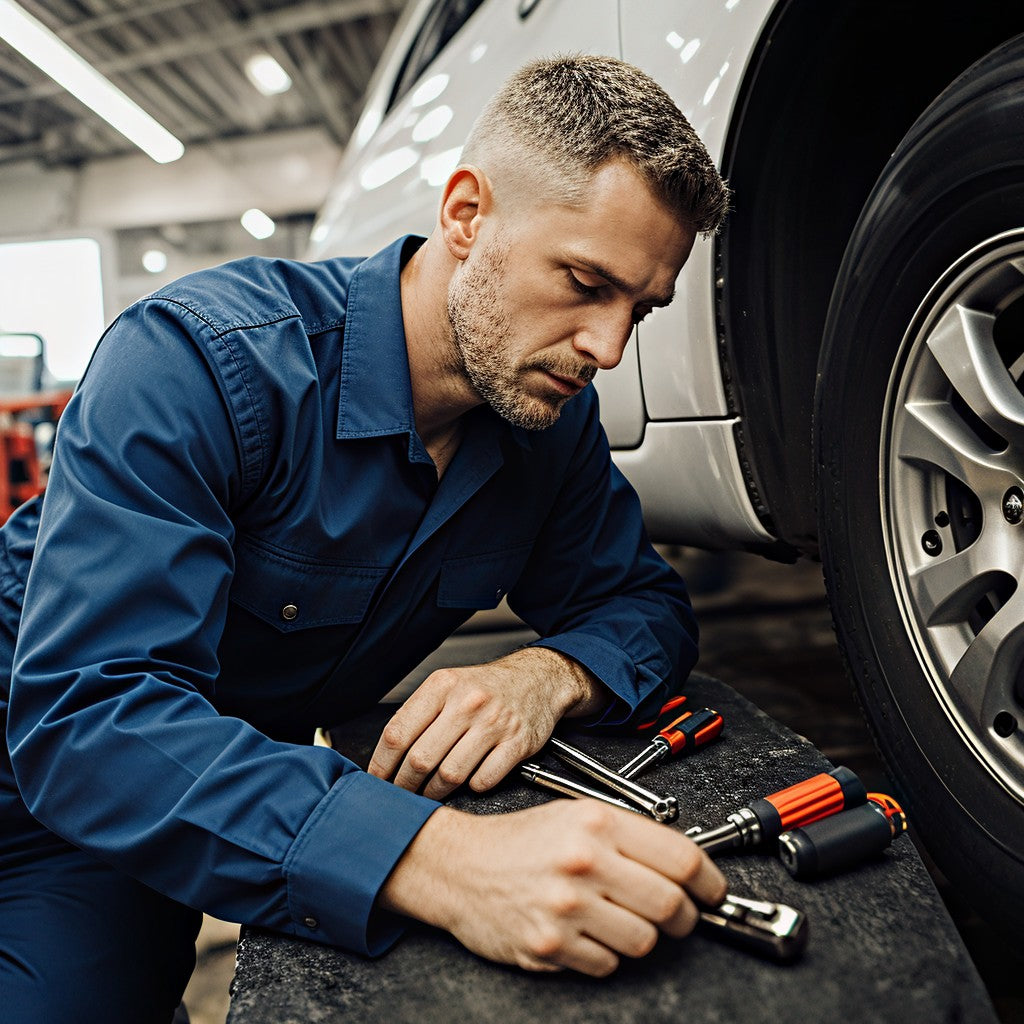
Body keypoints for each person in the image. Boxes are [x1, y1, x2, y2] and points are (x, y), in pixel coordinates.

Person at [0, 54, 731, 1021]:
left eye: (639, 308)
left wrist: (546, 675)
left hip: (174, 784)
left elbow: (643, 604)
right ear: (466, 215)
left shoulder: (544, 423)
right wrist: (446, 861)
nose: (608, 346)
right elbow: (91, 717)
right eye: (585, 281)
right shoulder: (197, 363)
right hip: (49, 766)